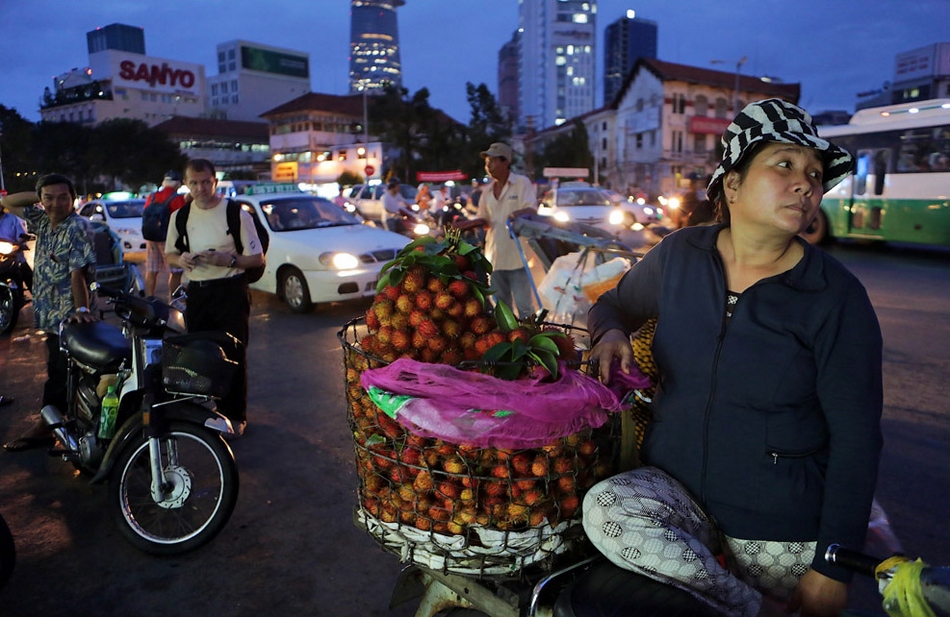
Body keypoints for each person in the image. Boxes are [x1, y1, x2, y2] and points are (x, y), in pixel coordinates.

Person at [583, 99, 882, 617]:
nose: (805, 183)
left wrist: (831, 566)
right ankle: (749, 610)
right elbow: (614, 303)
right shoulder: (679, 256)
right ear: (733, 184)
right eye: (784, 163)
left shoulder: (835, 296)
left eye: (814, 174)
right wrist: (609, 333)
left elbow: (857, 438)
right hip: (677, 494)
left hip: (780, 532)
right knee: (604, 508)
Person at [165, 159, 264, 438]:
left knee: (233, 353)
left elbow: (257, 258)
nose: (200, 188)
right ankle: (208, 411)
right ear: (186, 183)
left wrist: (227, 259)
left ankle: (235, 416)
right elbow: (169, 254)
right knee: (199, 354)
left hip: (230, 291)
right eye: (194, 183)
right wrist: (181, 259)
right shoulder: (180, 217)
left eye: (205, 182)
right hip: (197, 292)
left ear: (215, 181)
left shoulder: (236, 213)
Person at [1, 174, 98, 452]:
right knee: (59, 370)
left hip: (70, 317)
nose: (56, 203)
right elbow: (7, 201)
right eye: (49, 198)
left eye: (63, 197)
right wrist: (41, 194)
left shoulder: (77, 227)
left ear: (74, 199)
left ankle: (48, 425)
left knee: (62, 373)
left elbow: (77, 272)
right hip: (50, 314)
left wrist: (81, 309)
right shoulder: (42, 221)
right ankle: (62, 424)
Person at [453, 142, 537, 317]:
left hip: (518, 256)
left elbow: (531, 209)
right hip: (494, 258)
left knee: (525, 308)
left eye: (492, 161)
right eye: (486, 162)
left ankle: (531, 341)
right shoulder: (487, 191)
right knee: (501, 308)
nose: (488, 166)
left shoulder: (522, 183)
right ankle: (508, 340)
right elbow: (484, 219)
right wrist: (464, 225)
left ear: (505, 161)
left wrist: (516, 214)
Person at [142, 170, 187, 298]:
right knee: (175, 272)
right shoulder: (177, 198)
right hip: (168, 238)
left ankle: (149, 298)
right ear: (177, 184)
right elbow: (181, 219)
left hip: (151, 237)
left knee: (151, 270)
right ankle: (173, 298)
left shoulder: (152, 196)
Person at [0, 204, 32, 292]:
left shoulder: (13, 219)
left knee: (29, 278)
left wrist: (21, 243)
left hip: (14, 257)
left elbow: (21, 235)